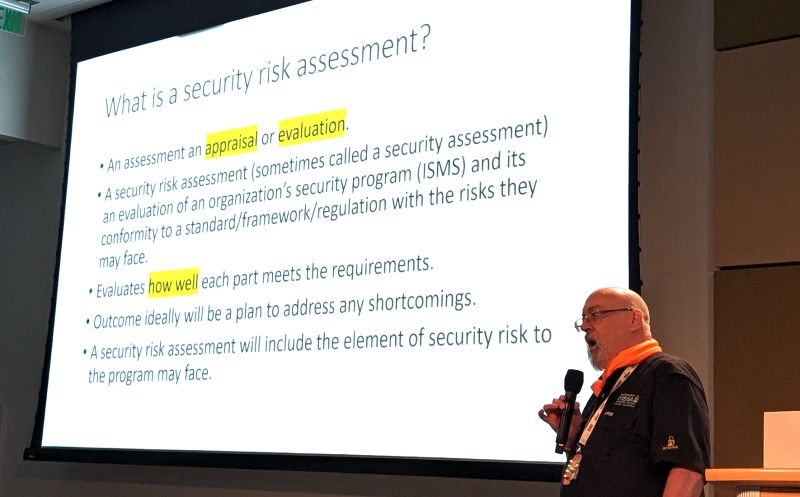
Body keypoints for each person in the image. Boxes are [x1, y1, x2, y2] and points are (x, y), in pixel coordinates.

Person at [539, 287, 710, 497]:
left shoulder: (667, 375)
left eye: (595, 314)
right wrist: (574, 438)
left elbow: (688, 472)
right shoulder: (609, 384)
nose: (584, 326)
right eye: (583, 319)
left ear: (634, 319)